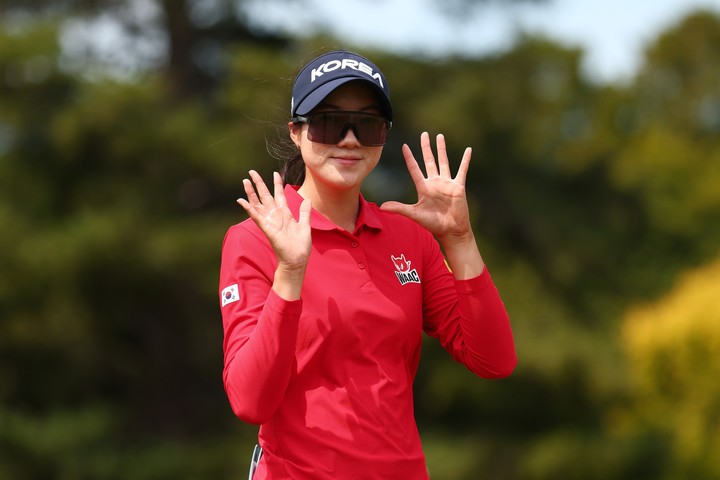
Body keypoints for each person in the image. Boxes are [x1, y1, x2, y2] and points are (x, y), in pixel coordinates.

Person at [218, 50, 517, 480]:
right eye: (329, 123)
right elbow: (250, 402)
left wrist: (459, 239)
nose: (350, 140)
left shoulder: (409, 238)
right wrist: (290, 273)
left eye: (368, 125)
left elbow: (494, 359)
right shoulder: (255, 238)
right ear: (296, 133)